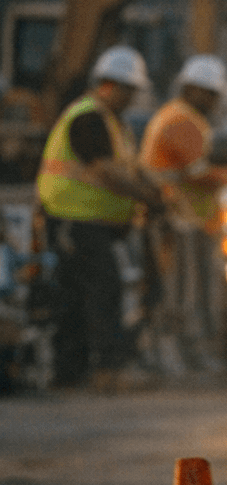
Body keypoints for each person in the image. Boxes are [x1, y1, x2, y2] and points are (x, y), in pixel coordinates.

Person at [36, 45, 166, 390]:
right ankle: (104, 370)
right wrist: (146, 196)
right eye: (128, 91)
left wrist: (152, 190)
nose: (131, 98)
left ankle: (72, 373)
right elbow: (105, 171)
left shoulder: (112, 123)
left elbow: (129, 168)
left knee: (80, 296)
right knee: (101, 291)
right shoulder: (88, 118)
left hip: (94, 225)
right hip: (74, 220)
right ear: (109, 85)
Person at [140, 54, 227, 370]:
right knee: (186, 293)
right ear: (195, 90)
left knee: (182, 291)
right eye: (212, 94)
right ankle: (188, 354)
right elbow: (197, 171)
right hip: (180, 220)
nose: (215, 101)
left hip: (184, 219)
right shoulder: (183, 120)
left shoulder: (176, 116)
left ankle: (180, 354)